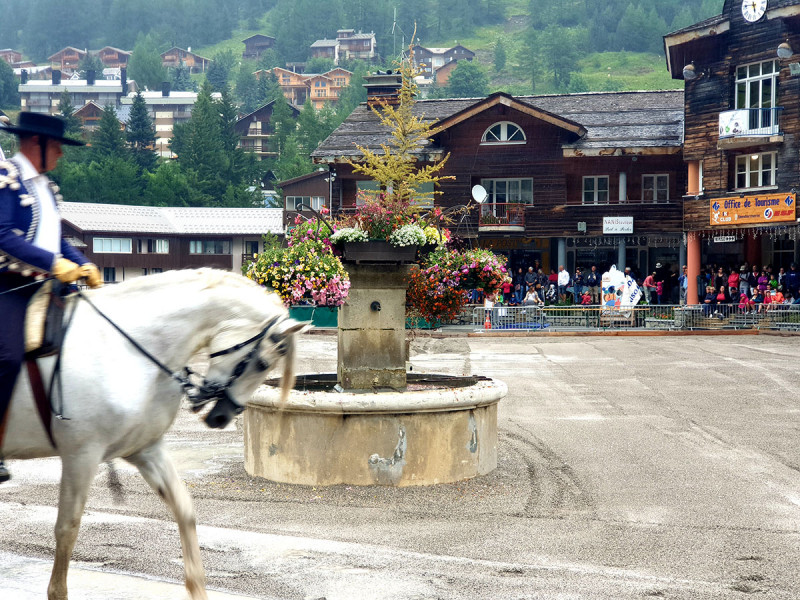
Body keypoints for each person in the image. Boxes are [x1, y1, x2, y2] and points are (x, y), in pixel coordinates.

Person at [0, 113, 103, 483]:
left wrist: (82, 263)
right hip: (10, 286)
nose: (60, 153)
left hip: (49, 285)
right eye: (56, 145)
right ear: (35, 143)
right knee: (8, 355)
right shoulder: (7, 180)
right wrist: (54, 264)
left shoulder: (45, 186)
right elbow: (5, 237)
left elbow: (56, 240)